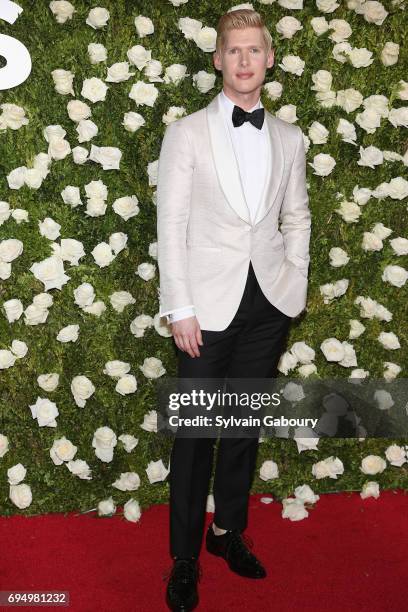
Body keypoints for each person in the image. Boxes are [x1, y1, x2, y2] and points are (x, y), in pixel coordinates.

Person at [157, 8, 311, 611]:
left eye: (255, 50)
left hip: (267, 302)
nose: (244, 61)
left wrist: (292, 276)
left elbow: (296, 215)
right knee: (195, 433)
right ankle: (184, 558)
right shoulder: (186, 133)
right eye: (234, 50)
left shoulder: (291, 138)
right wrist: (181, 306)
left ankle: (226, 534)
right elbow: (170, 226)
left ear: (269, 59)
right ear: (217, 59)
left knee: (242, 428)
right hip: (205, 306)